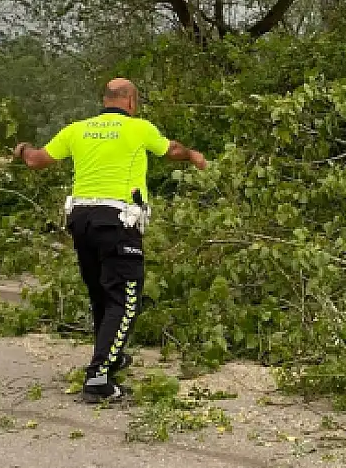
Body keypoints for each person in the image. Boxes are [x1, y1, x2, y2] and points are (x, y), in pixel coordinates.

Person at [13, 78, 207, 403]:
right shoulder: (138, 128)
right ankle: (98, 378)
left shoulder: (77, 129)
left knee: (102, 295)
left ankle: (111, 359)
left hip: (81, 221)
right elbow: (170, 149)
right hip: (117, 220)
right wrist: (193, 156)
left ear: (105, 100)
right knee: (126, 298)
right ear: (130, 101)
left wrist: (22, 149)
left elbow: (36, 160)